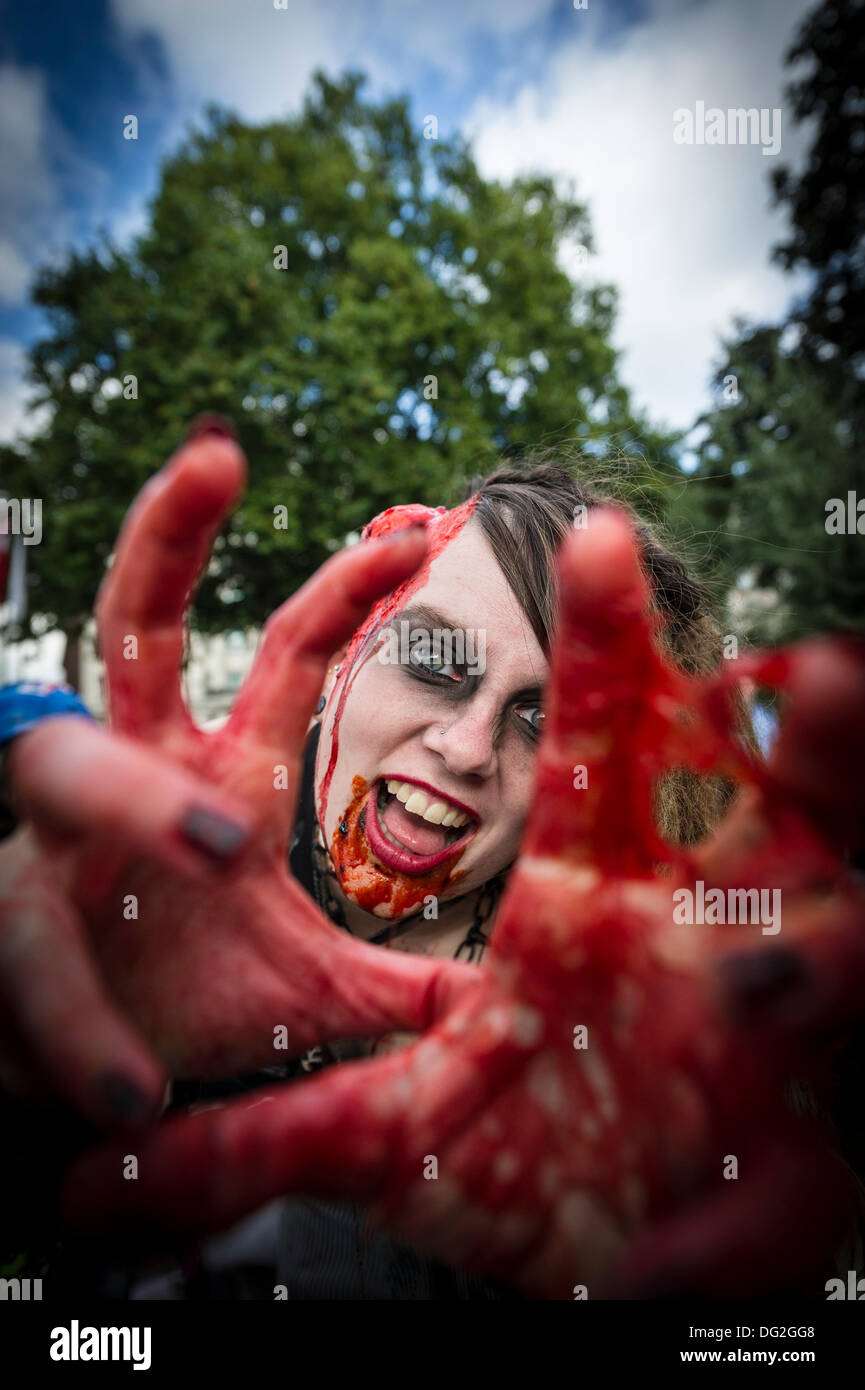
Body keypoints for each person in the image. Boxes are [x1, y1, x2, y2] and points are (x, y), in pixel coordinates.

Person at [1, 417, 863, 1299]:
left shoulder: (606, 994)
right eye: (431, 660)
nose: (464, 746)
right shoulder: (164, 857)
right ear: (345, 655)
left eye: (543, 717)